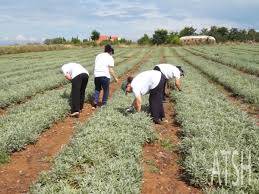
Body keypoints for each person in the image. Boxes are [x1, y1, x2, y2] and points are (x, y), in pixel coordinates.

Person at [92, 44, 118, 108]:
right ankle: (103, 104)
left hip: (97, 75)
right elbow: (110, 69)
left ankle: (95, 103)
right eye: (112, 52)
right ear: (110, 51)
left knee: (97, 89)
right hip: (105, 76)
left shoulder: (98, 55)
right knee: (106, 90)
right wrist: (115, 78)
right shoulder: (110, 57)